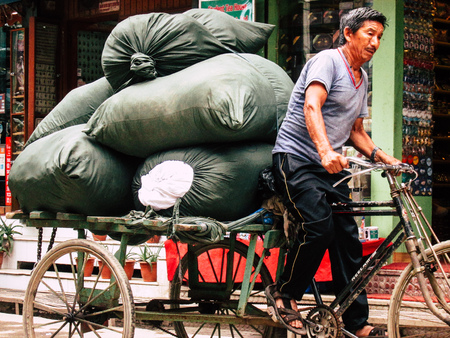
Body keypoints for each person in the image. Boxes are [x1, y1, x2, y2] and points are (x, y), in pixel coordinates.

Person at [265, 7, 400, 337]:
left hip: (327, 170)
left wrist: (385, 158)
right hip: (295, 160)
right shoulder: (328, 61)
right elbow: (312, 105)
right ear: (349, 33)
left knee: (348, 240)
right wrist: (325, 150)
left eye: (380, 37)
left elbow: (356, 130)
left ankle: (356, 323)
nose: (375, 42)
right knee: (319, 227)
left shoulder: (361, 77)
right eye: (370, 33)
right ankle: (285, 295)